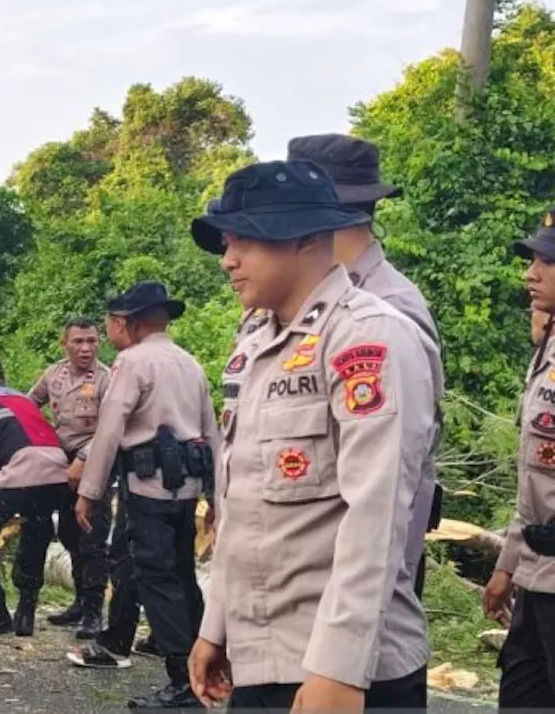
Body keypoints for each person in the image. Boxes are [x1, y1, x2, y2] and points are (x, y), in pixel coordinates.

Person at [187, 160, 436, 711]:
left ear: (301, 238)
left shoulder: (367, 337)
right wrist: (217, 625)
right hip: (263, 655)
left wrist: (339, 671)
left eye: (243, 241)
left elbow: (377, 516)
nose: (228, 260)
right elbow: (244, 502)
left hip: (339, 668)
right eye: (227, 243)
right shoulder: (258, 342)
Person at [289, 134, 446, 599]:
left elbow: (394, 468)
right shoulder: (310, 298)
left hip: (358, 575)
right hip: (308, 562)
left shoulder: (389, 307)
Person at [72, 282, 215, 707]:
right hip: (186, 488)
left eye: (112, 323)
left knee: (157, 578)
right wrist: (217, 499)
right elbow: (212, 434)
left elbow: (110, 430)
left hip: (147, 487)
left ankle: (183, 681)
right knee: (182, 575)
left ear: (128, 324)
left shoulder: (131, 362)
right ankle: (205, 664)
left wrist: (88, 492)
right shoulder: (190, 363)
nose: (110, 330)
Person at [483, 206, 555, 708]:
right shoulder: (546, 352)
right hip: (540, 576)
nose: (530, 273)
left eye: (545, 263)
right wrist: (509, 566)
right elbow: (536, 482)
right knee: (521, 695)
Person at [0, 361, 68, 638]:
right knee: (36, 532)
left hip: (21, 471)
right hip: (57, 472)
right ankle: (26, 613)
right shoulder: (22, 399)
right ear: (1, 380)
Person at [28, 317, 113, 638]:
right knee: (67, 532)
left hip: (94, 466)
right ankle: (79, 601)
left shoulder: (107, 379)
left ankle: (94, 614)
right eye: (78, 341)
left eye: (91, 341)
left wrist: (83, 458)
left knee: (92, 537)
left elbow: (110, 428)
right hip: (59, 466)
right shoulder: (54, 375)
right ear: (65, 344)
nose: (85, 348)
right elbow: (29, 405)